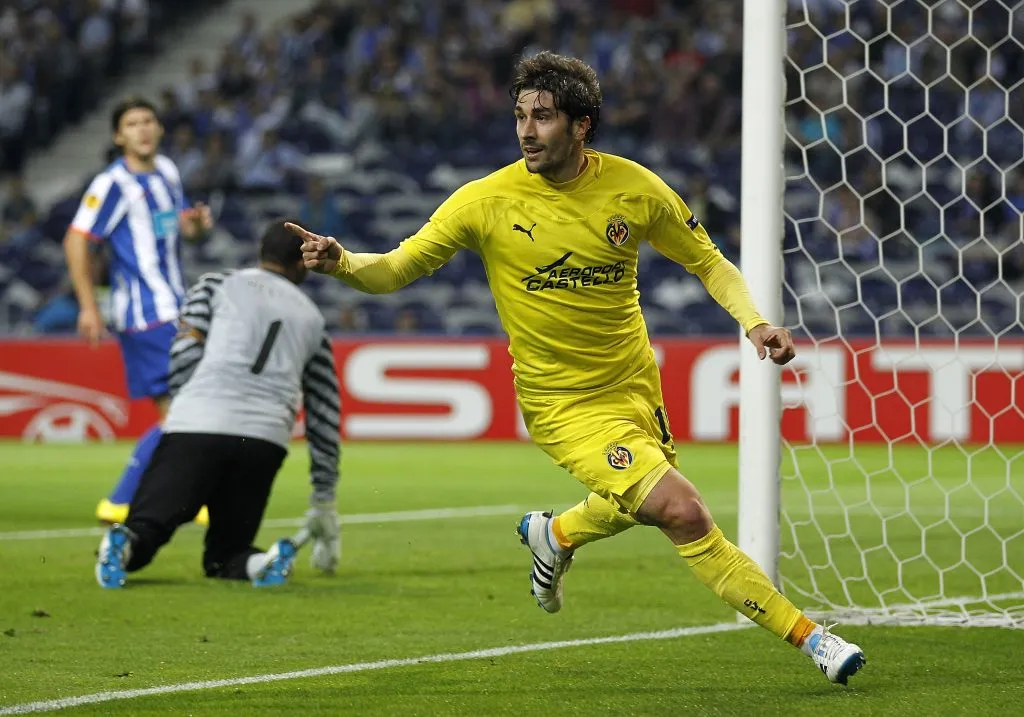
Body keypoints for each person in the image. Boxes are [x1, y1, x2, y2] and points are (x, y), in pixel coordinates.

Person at [286, 51, 867, 685]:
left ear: (581, 125)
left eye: (543, 117)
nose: (526, 131)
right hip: (561, 404)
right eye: (520, 116)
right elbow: (397, 268)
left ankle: (556, 534)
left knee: (642, 500)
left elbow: (708, 261)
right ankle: (812, 638)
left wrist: (755, 322)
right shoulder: (486, 202)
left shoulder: (634, 189)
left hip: (633, 385)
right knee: (682, 510)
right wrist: (343, 262)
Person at [94, 220, 342, 588]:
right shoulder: (313, 318)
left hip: (198, 422)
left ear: (261, 251)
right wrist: (324, 493)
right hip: (264, 438)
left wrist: (181, 403)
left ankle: (125, 545)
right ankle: (262, 563)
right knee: (229, 552)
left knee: (147, 526)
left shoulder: (216, 284)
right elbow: (324, 411)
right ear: (302, 263)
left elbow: (184, 349)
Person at [63, 96, 213, 526]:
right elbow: (76, 240)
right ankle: (121, 499)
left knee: (187, 409)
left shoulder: (167, 171)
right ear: (118, 136)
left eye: (148, 121)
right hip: (146, 314)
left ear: (160, 129)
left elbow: (178, 226)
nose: (143, 129)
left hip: (175, 306)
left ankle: (185, 496)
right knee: (189, 408)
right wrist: (89, 307)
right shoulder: (112, 184)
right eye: (132, 123)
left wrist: (197, 226)